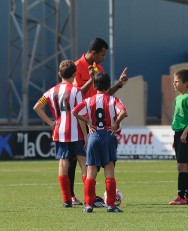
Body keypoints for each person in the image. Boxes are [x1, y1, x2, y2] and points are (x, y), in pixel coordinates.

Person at [69, 37, 128, 206]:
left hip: (92, 119)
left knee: (92, 163)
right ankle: (72, 196)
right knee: (75, 156)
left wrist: (118, 85)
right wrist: (91, 78)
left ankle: (93, 199)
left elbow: (103, 93)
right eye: (102, 54)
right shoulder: (76, 67)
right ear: (94, 53)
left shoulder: (98, 67)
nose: (103, 58)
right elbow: (76, 94)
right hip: (81, 119)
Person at [33, 60, 87, 208]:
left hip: (60, 130)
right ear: (75, 74)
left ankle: (66, 199)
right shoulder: (76, 91)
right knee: (83, 161)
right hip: (75, 131)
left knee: (63, 162)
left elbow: (37, 107)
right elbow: (80, 114)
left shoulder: (50, 92)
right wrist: (86, 135)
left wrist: (51, 123)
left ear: (59, 74)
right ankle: (89, 198)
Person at [168, 69, 188, 205]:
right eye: (174, 81)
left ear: (185, 83)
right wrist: (176, 138)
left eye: (177, 81)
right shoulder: (178, 98)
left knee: (181, 166)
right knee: (184, 166)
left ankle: (181, 196)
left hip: (185, 135)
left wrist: (185, 132)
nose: (174, 84)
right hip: (179, 135)